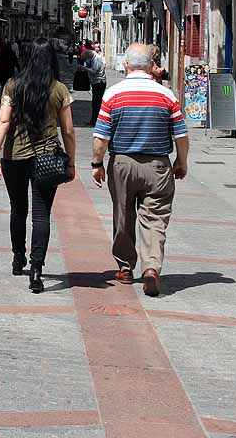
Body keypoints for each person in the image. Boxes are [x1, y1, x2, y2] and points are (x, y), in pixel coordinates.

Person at [91, 43, 190, 298]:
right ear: (151, 66)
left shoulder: (113, 94)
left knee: (123, 215)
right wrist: (181, 161)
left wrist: (97, 164)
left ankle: (125, 268)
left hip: (122, 163)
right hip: (158, 166)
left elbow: (101, 136)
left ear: (126, 65)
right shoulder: (166, 96)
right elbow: (181, 134)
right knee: (155, 219)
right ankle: (151, 268)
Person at [0, 37, 76, 293]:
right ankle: (36, 270)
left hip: (14, 156)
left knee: (18, 209)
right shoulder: (59, 89)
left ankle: (18, 257)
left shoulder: (13, 86)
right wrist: (70, 161)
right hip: (47, 158)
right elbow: (68, 131)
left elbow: (3, 122)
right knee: (41, 215)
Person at [81, 46, 108, 127]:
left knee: (97, 102)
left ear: (88, 56)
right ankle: (94, 119)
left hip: (99, 82)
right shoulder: (92, 58)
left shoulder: (96, 59)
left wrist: (84, 68)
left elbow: (94, 71)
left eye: (86, 59)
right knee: (94, 102)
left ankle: (97, 120)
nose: (86, 61)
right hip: (95, 82)